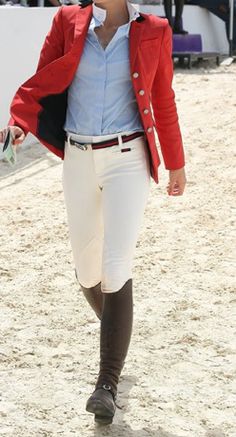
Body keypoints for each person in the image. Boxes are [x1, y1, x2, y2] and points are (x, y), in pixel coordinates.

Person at [0, 0, 186, 425]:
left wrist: (176, 162)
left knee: (116, 263)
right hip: (78, 157)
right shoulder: (68, 20)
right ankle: (118, 330)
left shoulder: (154, 28)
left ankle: (107, 384)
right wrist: (18, 124)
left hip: (128, 157)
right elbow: (40, 83)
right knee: (87, 271)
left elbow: (163, 98)